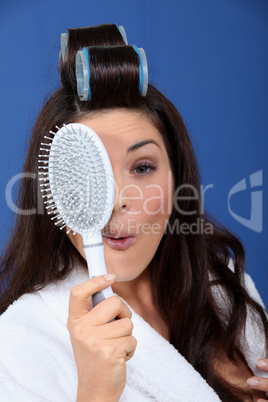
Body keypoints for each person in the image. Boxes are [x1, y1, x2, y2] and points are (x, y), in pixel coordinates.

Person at [0, 23, 267, 402]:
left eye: (142, 168)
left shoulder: (226, 288)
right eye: (90, 173)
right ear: (54, 190)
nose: (115, 201)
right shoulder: (18, 345)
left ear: (177, 178)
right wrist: (94, 392)